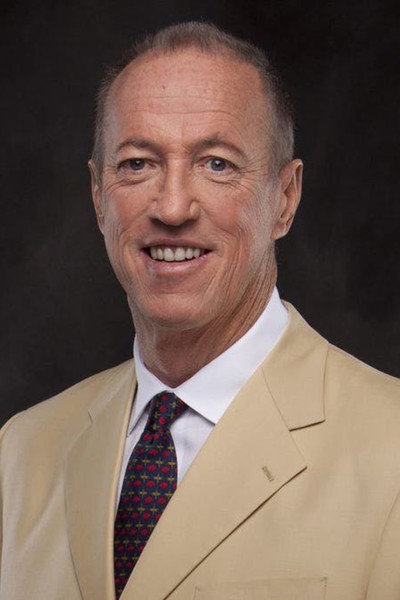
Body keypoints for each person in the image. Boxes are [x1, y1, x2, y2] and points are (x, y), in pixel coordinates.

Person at [0, 21, 399, 600]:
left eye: (217, 164)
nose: (172, 207)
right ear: (98, 197)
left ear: (285, 199)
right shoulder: (20, 453)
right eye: (137, 163)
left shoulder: (389, 448)